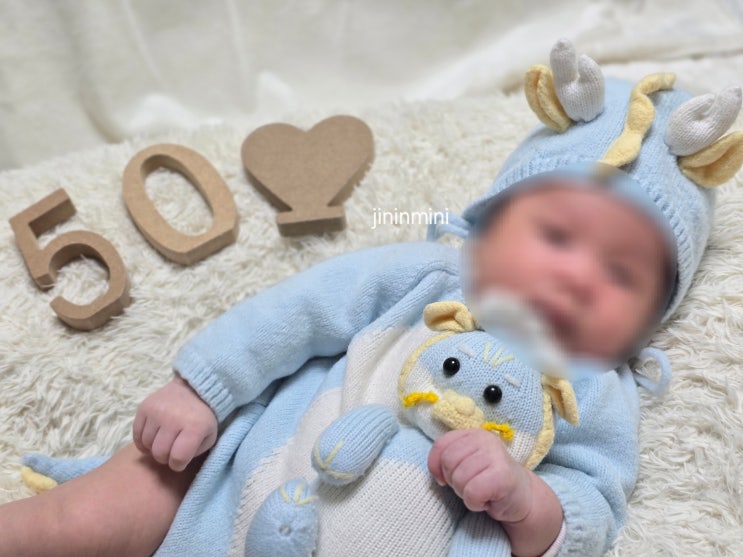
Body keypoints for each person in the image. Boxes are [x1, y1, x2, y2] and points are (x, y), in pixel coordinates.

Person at [1, 39, 740, 557]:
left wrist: (526, 501)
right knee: (108, 506)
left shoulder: (597, 389)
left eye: (621, 275)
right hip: (231, 485)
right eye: (555, 236)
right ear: (490, 227)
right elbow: (297, 313)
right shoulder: (431, 275)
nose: (576, 278)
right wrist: (201, 389)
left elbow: (594, 502)